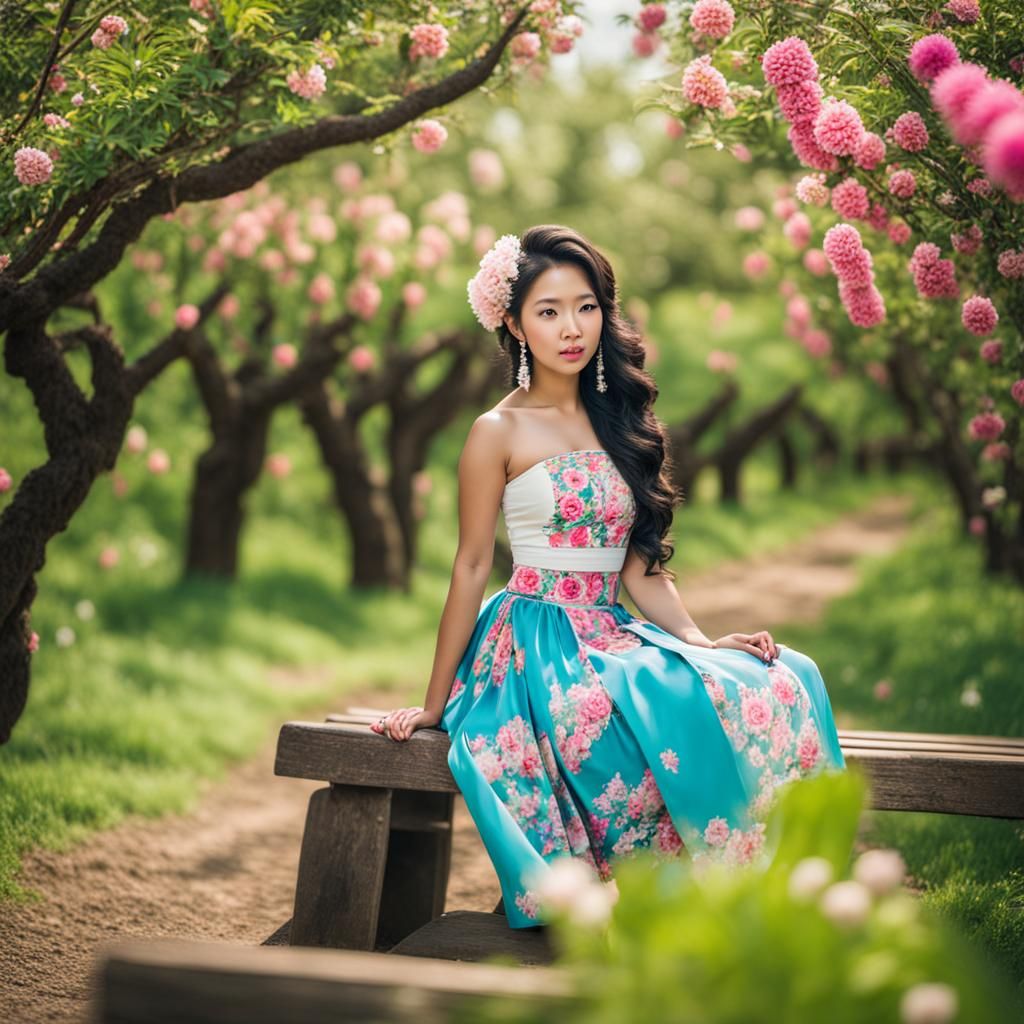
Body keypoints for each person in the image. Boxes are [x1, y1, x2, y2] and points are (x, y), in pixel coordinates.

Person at [371, 225, 846, 928]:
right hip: (532, 641)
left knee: (780, 676)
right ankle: (643, 903)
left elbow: (640, 569)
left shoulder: (621, 420)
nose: (572, 328)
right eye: (549, 311)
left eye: (586, 307)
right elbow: (471, 564)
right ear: (513, 323)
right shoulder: (495, 431)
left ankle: (772, 896)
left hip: (610, 626)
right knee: (620, 722)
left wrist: (702, 641)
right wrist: (434, 703)